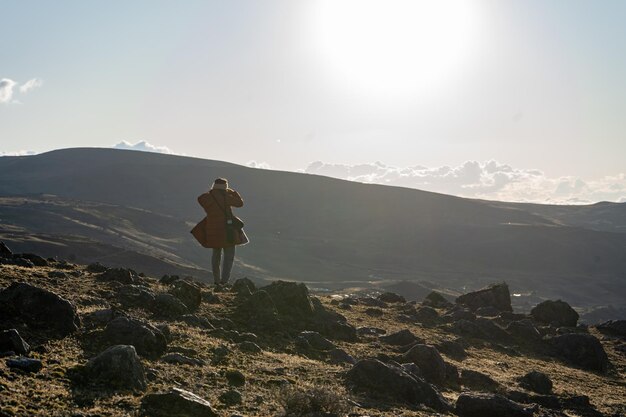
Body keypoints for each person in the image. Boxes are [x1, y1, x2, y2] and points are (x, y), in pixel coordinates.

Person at [191, 178, 248, 286]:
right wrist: (232, 192)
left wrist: (211, 192)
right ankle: (224, 282)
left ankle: (216, 281)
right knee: (229, 256)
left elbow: (200, 199)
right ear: (225, 187)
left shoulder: (207, 197)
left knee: (216, 255)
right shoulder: (227, 197)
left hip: (212, 230)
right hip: (228, 230)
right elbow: (240, 203)